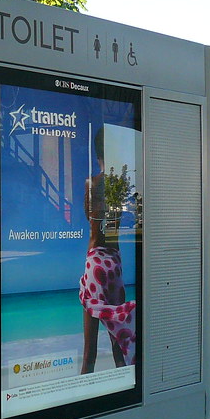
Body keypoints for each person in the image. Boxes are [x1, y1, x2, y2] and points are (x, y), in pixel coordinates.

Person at [78, 127, 137, 374]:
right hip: (115, 263)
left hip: (96, 261)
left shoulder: (92, 182)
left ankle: (81, 396)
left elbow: (90, 220)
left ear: (96, 153)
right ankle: (122, 384)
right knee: (118, 346)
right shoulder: (120, 185)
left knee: (89, 352)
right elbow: (117, 223)